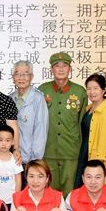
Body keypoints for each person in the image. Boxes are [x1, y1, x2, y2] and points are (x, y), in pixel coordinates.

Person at [39, 52, 87, 194]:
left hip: (71, 151)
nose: (61, 69)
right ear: (51, 69)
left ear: (70, 69)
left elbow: (82, 122)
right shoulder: (42, 90)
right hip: (48, 150)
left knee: (70, 192)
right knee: (49, 193)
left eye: (64, 65)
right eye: (57, 66)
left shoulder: (80, 92)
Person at [75, 74, 106, 188]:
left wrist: (98, 162)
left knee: (94, 185)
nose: (92, 92)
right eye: (89, 89)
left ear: (104, 90)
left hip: (95, 155)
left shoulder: (105, 111)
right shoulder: (88, 108)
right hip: (84, 151)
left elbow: (104, 140)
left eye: (96, 88)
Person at [9, 60, 48, 166]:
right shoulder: (10, 98)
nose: (21, 78)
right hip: (11, 157)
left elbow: (40, 130)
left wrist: (35, 159)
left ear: (31, 77)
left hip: (29, 158)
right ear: (13, 77)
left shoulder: (38, 98)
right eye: (17, 74)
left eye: (25, 74)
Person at [0, 125, 23, 205]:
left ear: (12, 142)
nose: (4, 143)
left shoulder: (16, 159)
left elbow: (18, 181)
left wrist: (16, 200)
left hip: (11, 200)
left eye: (7, 140)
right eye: (1, 140)